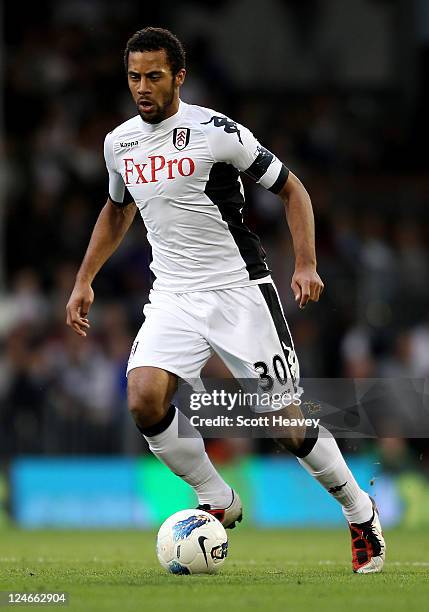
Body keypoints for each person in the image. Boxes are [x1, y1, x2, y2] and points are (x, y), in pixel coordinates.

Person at [66, 27, 385, 573]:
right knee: (143, 397)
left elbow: (292, 188)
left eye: (154, 76)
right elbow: (117, 209)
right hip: (173, 294)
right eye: (134, 77)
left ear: (179, 77)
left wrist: (305, 263)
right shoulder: (118, 143)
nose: (142, 87)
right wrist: (83, 279)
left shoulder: (216, 132)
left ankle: (361, 512)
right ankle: (217, 497)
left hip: (240, 291)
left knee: (288, 424)